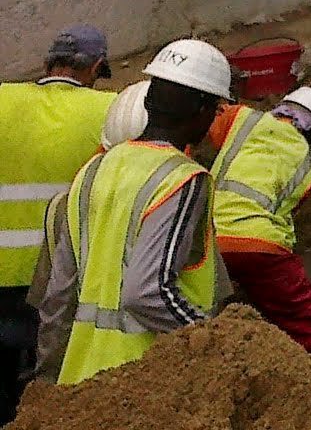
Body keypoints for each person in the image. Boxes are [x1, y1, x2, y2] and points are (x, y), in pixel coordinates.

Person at [31, 39, 229, 388]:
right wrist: (210, 342)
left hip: (82, 380)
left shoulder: (93, 171)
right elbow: (146, 292)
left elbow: (60, 292)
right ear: (201, 108)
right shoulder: (183, 179)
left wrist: (50, 381)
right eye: (216, 110)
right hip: (144, 380)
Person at [0, 27, 116, 417]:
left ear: (47, 62)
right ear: (96, 67)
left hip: (0, 272)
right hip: (59, 273)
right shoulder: (110, 111)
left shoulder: (1, 98)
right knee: (48, 380)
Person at [206, 86, 311, 352]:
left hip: (207, 238)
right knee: (307, 317)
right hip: (260, 246)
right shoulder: (309, 167)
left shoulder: (242, 118)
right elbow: (285, 214)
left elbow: (206, 123)